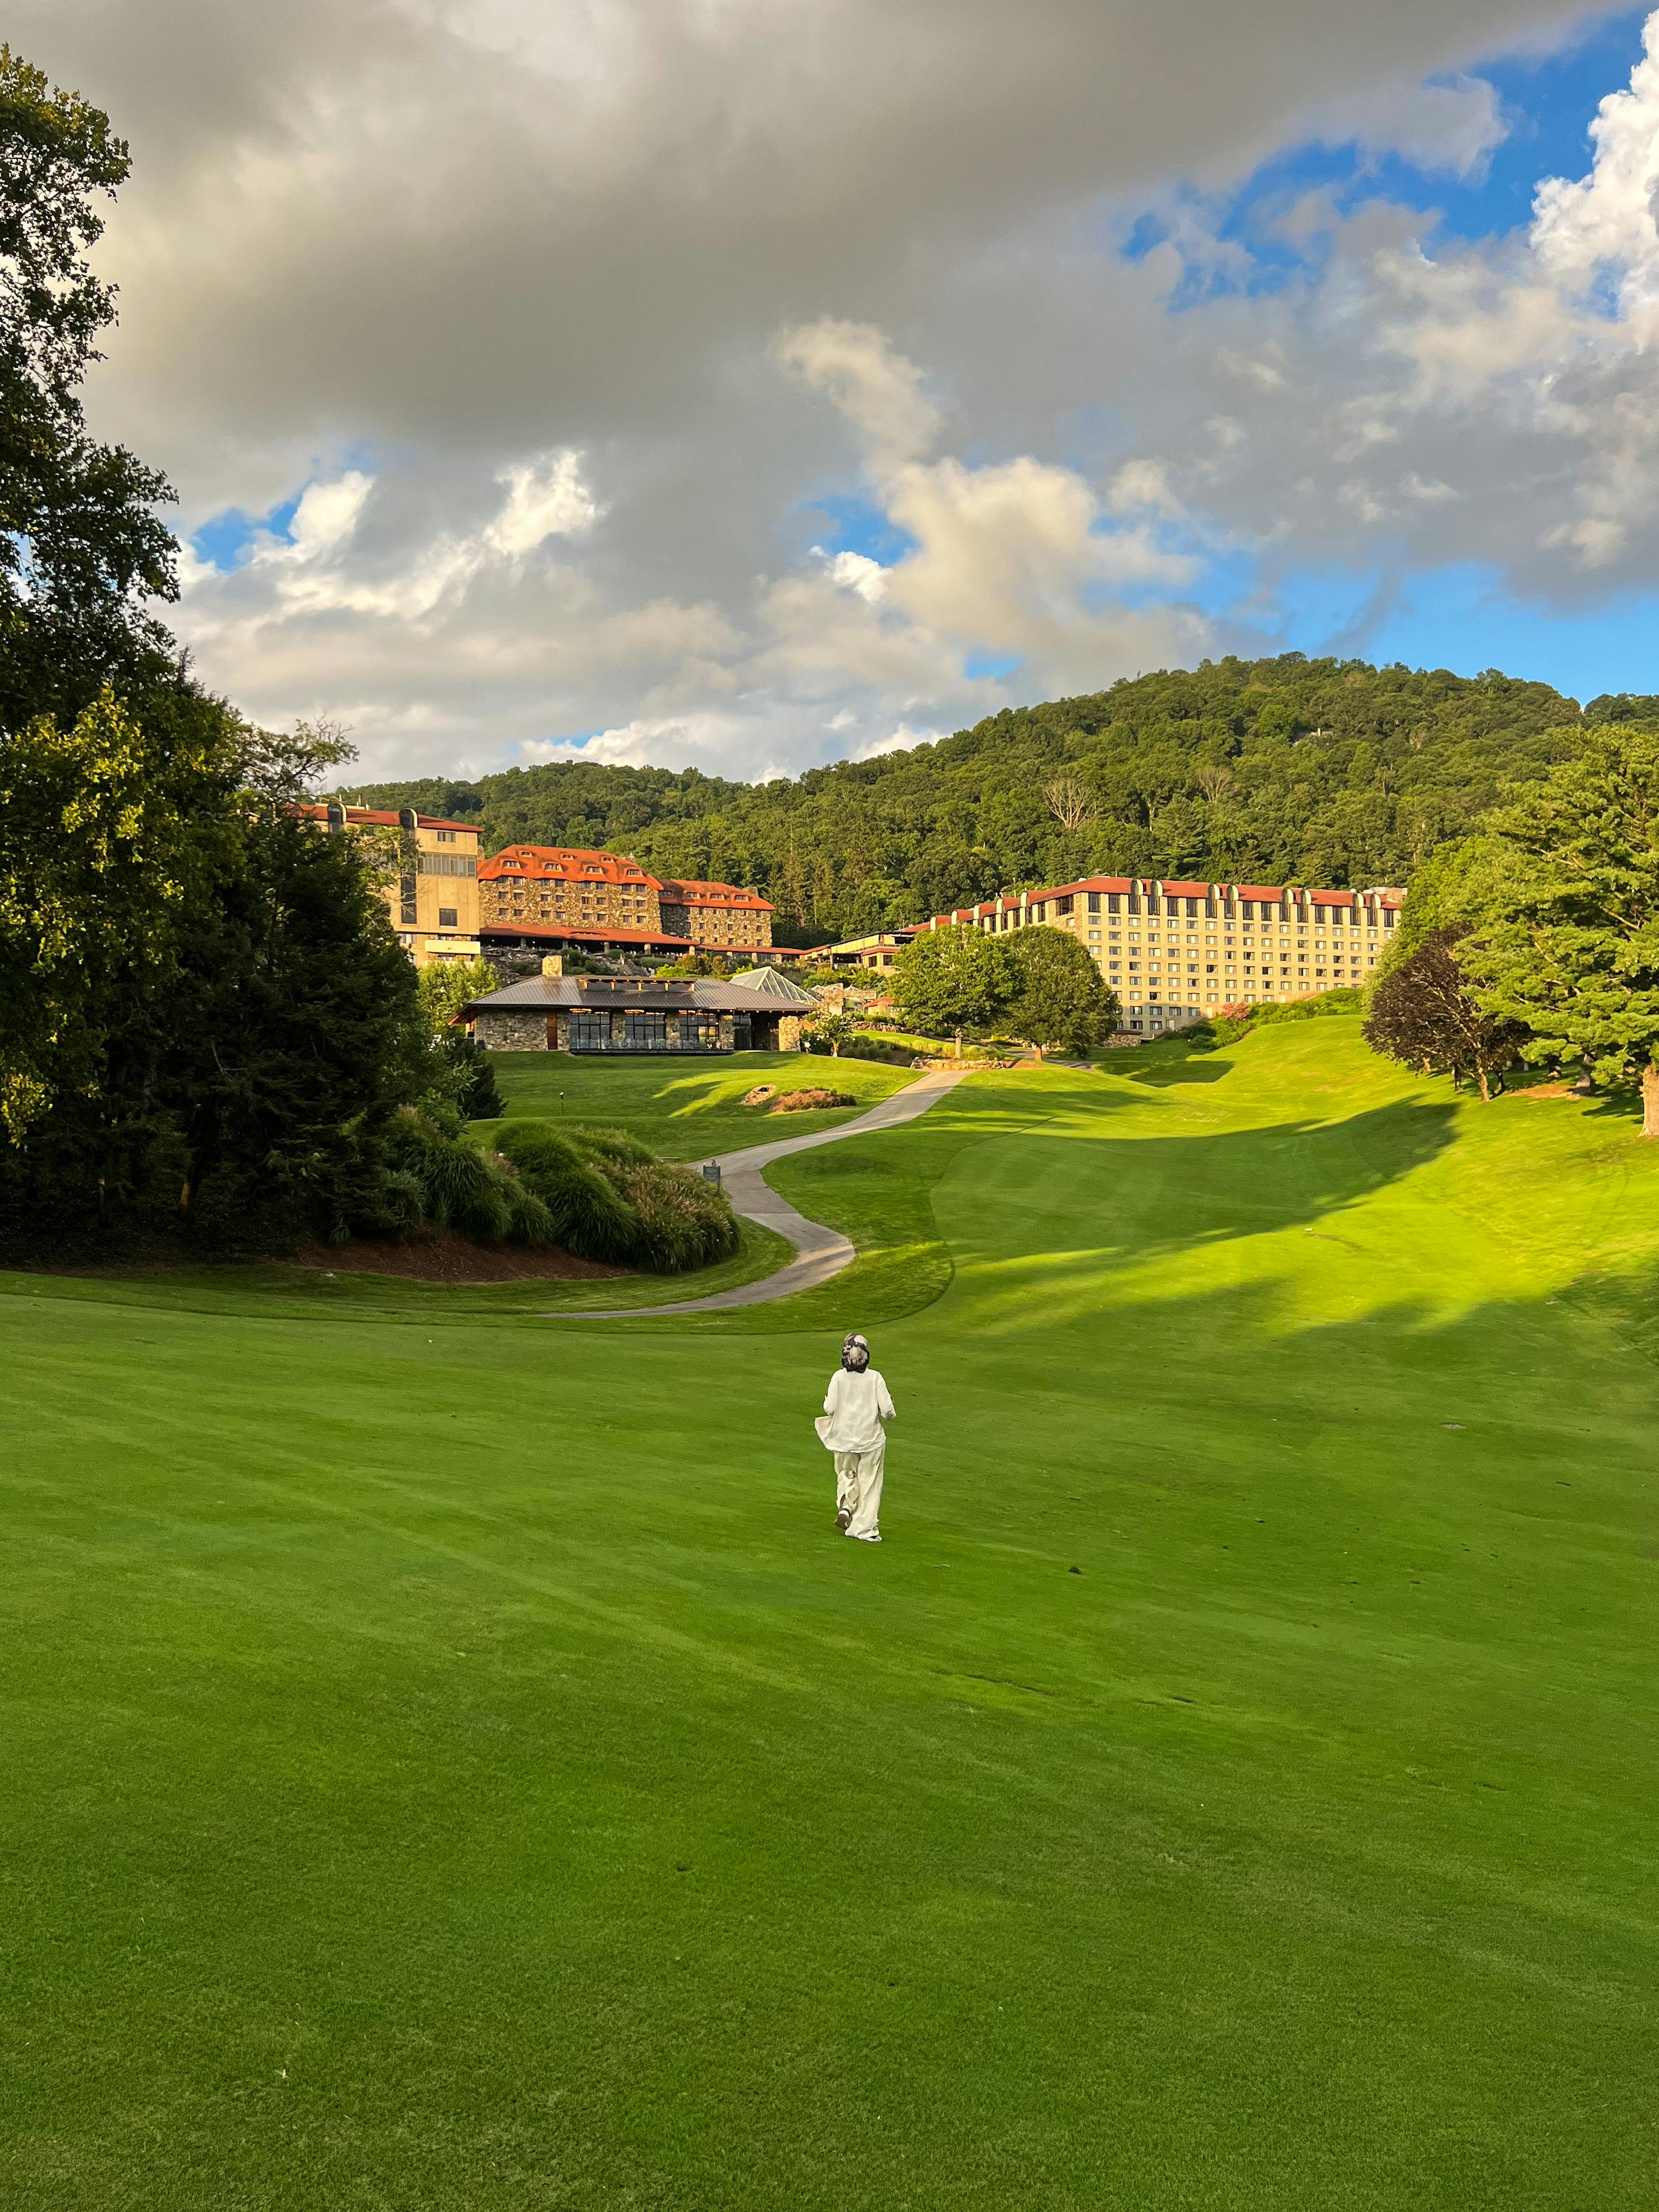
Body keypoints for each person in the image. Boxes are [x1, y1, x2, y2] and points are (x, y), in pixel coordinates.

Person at [817, 1331, 895, 1542]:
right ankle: (864, 1530)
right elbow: (888, 1412)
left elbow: (829, 1408)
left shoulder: (838, 1377)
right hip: (871, 1440)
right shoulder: (875, 1377)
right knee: (869, 1484)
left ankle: (846, 1506)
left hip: (843, 1439)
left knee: (847, 1475)